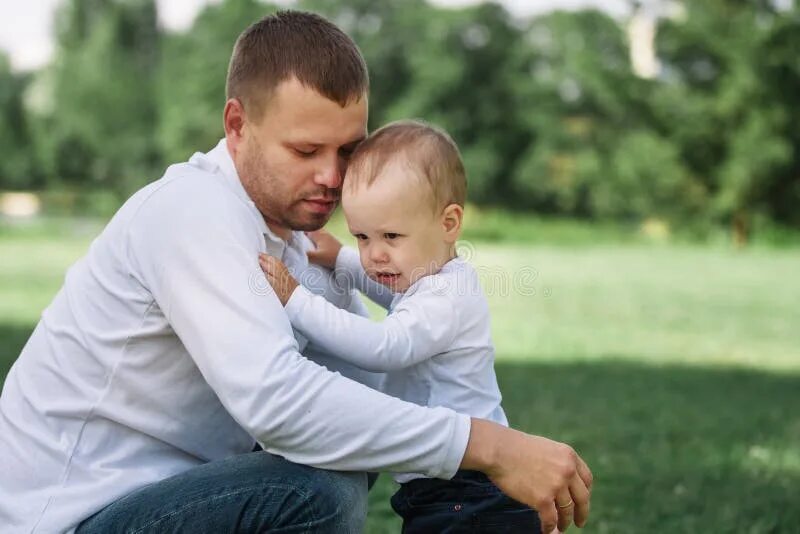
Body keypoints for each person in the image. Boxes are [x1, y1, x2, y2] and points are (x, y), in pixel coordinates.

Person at [0, 10, 591, 534]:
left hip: (171, 498)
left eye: (348, 151)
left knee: (344, 450)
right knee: (314, 492)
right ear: (237, 126)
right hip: (75, 515)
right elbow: (279, 404)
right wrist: (490, 447)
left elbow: (362, 390)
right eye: (306, 152)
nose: (333, 178)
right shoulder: (192, 214)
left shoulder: (295, 239)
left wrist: (491, 465)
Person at [259, 119, 540, 532]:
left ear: (448, 224)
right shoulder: (434, 281)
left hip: (467, 491)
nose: (374, 254)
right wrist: (342, 260)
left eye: (391, 235)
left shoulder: (446, 297)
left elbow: (384, 346)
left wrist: (296, 300)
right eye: (362, 236)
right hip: (450, 484)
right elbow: (394, 295)